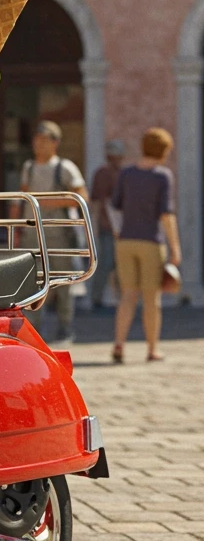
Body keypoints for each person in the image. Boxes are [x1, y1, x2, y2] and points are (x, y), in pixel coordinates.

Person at [111, 127, 180, 364]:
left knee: (128, 295)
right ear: (163, 150)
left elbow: (115, 205)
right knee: (152, 299)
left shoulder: (127, 173)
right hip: (151, 241)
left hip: (126, 241)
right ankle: (152, 349)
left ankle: (119, 345)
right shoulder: (162, 176)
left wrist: (118, 232)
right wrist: (175, 247)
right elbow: (166, 215)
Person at [18, 120, 88, 344]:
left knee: (63, 282)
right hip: (32, 233)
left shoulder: (65, 167)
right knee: (35, 282)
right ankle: (35, 330)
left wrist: (47, 203)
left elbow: (81, 197)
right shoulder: (28, 167)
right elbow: (21, 198)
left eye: (44, 139)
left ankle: (65, 328)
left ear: (55, 142)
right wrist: (17, 225)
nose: (38, 144)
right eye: (36, 139)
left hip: (59, 234)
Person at [89, 139, 125, 308]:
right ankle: (96, 298)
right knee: (106, 261)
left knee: (121, 264)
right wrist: (95, 226)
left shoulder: (124, 174)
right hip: (107, 226)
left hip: (124, 227)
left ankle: (122, 299)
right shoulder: (102, 174)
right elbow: (97, 202)